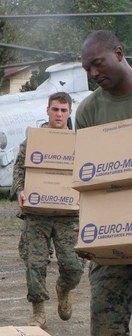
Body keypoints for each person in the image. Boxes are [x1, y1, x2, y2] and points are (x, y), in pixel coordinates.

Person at [11, 91, 84, 329]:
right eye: (55, 109)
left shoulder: (78, 143)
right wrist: (20, 190)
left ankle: (63, 289)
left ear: (70, 112)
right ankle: (38, 311)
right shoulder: (32, 142)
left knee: (74, 266)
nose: (59, 114)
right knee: (35, 264)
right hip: (37, 215)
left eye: (64, 110)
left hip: (68, 216)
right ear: (47, 110)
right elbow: (19, 170)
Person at [78, 30, 132, 336]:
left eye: (98, 64)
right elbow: (87, 179)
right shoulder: (89, 110)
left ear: (119, 53)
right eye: (87, 69)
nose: (94, 73)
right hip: (112, 238)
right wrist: (87, 231)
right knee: (106, 327)